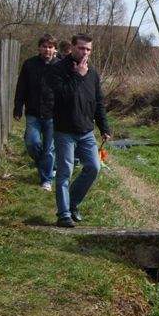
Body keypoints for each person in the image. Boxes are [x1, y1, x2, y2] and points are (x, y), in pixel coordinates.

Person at [50, 33, 112, 228]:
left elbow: (98, 102)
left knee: (94, 167)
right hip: (64, 130)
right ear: (73, 47)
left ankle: (73, 203)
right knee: (65, 171)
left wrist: (104, 127)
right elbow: (62, 96)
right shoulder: (58, 69)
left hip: (86, 131)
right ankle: (63, 214)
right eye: (81, 48)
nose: (84, 52)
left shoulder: (92, 73)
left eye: (88, 49)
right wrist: (78, 76)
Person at [13, 34, 59, 191]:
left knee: (49, 148)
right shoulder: (29, 64)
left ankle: (46, 180)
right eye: (44, 46)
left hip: (53, 115)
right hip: (33, 112)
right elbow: (21, 88)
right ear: (39, 48)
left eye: (50, 47)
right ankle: (45, 165)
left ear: (55, 49)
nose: (47, 49)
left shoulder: (60, 66)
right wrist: (18, 108)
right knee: (32, 143)